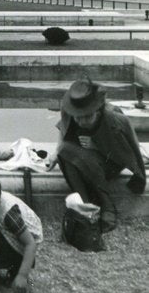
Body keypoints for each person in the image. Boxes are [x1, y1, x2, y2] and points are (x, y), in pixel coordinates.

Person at [48, 78, 146, 232]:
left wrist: (97, 146)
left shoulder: (115, 119)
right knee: (64, 151)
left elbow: (125, 154)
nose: (82, 122)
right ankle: (85, 205)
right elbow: (64, 129)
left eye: (88, 117)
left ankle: (107, 205)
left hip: (109, 162)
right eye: (78, 117)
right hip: (82, 159)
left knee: (80, 157)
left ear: (98, 110)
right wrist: (55, 152)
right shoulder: (70, 111)